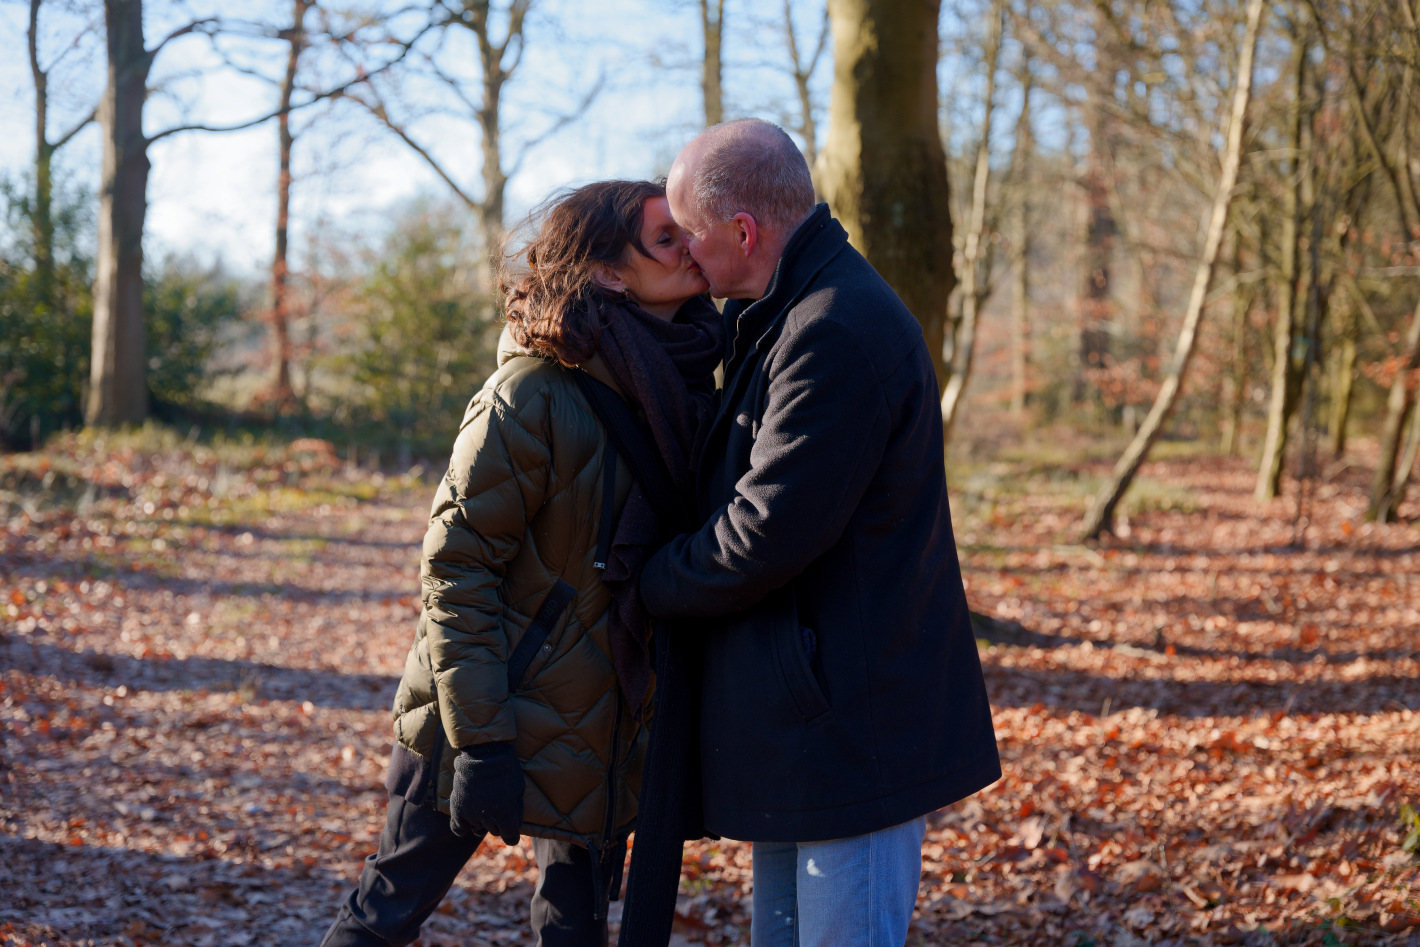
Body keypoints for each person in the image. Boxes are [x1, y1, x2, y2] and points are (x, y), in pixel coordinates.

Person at [319, 179, 722, 947]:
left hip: (601, 723)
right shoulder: (531, 393)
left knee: (575, 931)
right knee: (382, 916)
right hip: (487, 709)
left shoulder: (686, 390)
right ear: (608, 271)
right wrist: (482, 743)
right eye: (666, 238)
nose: (690, 248)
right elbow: (454, 570)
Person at [638, 119, 1002, 946]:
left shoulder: (833, 328)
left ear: (742, 231)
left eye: (690, 236)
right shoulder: (789, 312)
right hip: (808, 720)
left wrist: (646, 580)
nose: (686, 257)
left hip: (850, 727)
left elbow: (763, 531)